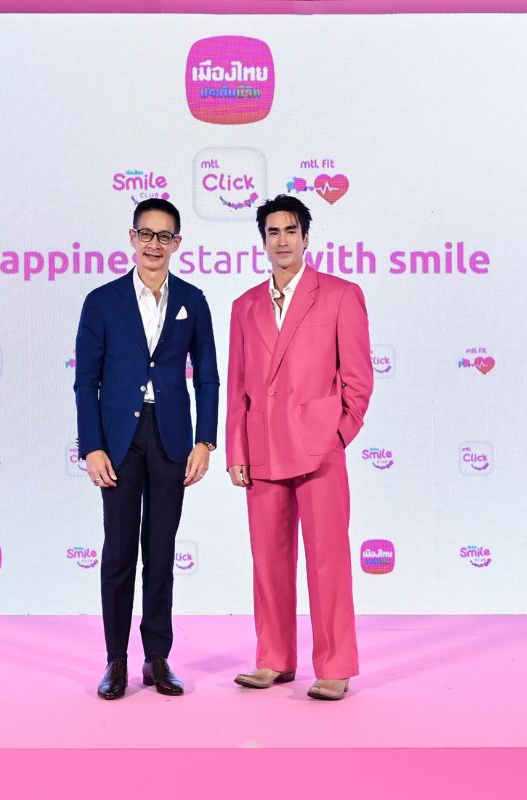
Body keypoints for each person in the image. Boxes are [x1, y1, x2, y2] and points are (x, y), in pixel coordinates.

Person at [226, 195, 372, 701]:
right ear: (262, 241)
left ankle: (335, 665)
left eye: (291, 230)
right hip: (263, 449)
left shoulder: (340, 295)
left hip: (318, 450)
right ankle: (273, 658)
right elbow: (238, 387)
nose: (282, 240)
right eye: (273, 232)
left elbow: (358, 379)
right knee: (267, 561)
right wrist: (237, 451)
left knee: (328, 561)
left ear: (306, 238)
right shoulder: (244, 306)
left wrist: (337, 435)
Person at [74, 198, 219, 700]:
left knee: (161, 551)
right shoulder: (102, 301)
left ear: (177, 243)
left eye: (165, 236)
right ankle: (115, 659)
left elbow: (207, 376)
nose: (155, 245)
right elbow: (86, 381)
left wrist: (205, 439)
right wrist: (92, 446)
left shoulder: (193, 300)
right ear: (132, 238)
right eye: (147, 234)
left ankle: (157, 657)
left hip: (171, 438)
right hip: (119, 442)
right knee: (119, 551)